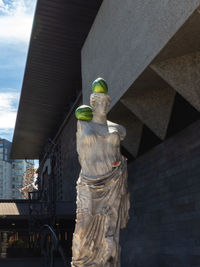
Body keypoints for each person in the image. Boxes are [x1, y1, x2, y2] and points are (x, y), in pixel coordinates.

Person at [71, 79, 130, 267]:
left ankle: (108, 261)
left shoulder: (117, 129)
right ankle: (81, 263)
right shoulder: (83, 124)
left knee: (109, 231)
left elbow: (118, 154)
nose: (103, 106)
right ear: (93, 103)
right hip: (89, 182)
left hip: (112, 182)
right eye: (99, 102)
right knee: (82, 227)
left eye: (106, 102)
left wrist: (118, 165)